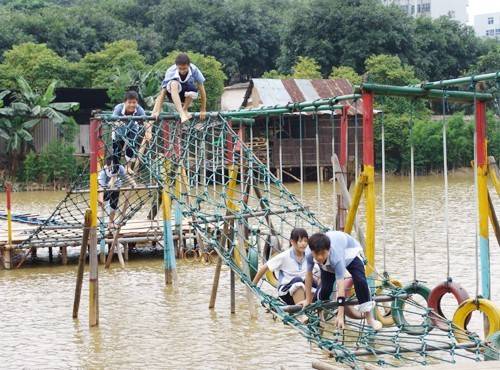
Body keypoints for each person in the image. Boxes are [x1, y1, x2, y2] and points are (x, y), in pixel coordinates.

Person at [304, 231, 382, 330]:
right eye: (316, 254)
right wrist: (307, 299)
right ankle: (319, 314)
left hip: (350, 254)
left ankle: (370, 319)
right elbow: (308, 275)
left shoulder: (337, 258)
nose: (319, 257)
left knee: (360, 280)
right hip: (329, 262)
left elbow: (340, 287)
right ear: (312, 251)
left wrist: (340, 315)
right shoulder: (309, 253)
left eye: (323, 253)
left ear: (328, 250)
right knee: (325, 289)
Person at [252, 228, 317, 305]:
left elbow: (318, 269)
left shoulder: (309, 255)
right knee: (298, 280)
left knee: (312, 281)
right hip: (287, 292)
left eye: (305, 241)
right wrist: (253, 284)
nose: (303, 244)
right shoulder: (284, 256)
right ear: (292, 242)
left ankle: (312, 309)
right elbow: (265, 267)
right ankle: (302, 313)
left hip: (305, 291)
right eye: (300, 241)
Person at [151, 53, 207, 123]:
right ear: (176, 66)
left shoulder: (194, 70)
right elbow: (163, 92)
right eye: (180, 68)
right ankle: (181, 113)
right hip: (172, 93)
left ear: (189, 65)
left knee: (193, 87)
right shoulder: (171, 71)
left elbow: (202, 89)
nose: (182, 71)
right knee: (174, 83)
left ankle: (184, 109)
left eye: (185, 68)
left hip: (185, 95)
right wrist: (158, 111)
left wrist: (203, 109)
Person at [111, 91, 149, 175]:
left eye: (134, 102)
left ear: (137, 103)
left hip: (132, 129)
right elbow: (113, 120)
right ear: (124, 102)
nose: (132, 105)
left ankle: (128, 167)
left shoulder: (139, 109)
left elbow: (146, 121)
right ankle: (115, 172)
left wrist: (148, 132)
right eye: (129, 102)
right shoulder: (119, 108)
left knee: (131, 146)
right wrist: (118, 123)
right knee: (117, 151)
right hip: (119, 131)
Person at [98, 157, 136, 230]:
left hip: (116, 187)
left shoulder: (120, 167)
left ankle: (110, 223)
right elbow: (101, 188)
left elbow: (126, 176)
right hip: (106, 188)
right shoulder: (103, 172)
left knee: (113, 205)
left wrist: (134, 184)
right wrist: (100, 199)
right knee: (102, 203)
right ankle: (101, 219)